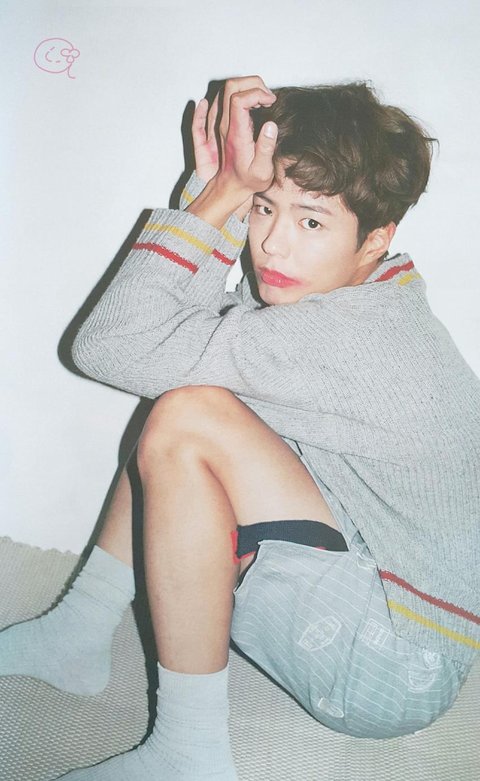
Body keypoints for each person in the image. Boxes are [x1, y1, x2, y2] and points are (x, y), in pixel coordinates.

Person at [1, 74, 479, 780]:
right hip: (399, 622)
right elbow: (170, 344)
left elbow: (110, 344)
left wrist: (217, 198)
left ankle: (188, 753)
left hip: (386, 661)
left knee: (187, 413)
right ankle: (79, 631)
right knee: (189, 389)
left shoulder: (347, 337)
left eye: (311, 222)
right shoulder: (373, 297)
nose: (273, 245)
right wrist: (219, 191)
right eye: (262, 207)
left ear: (375, 238)